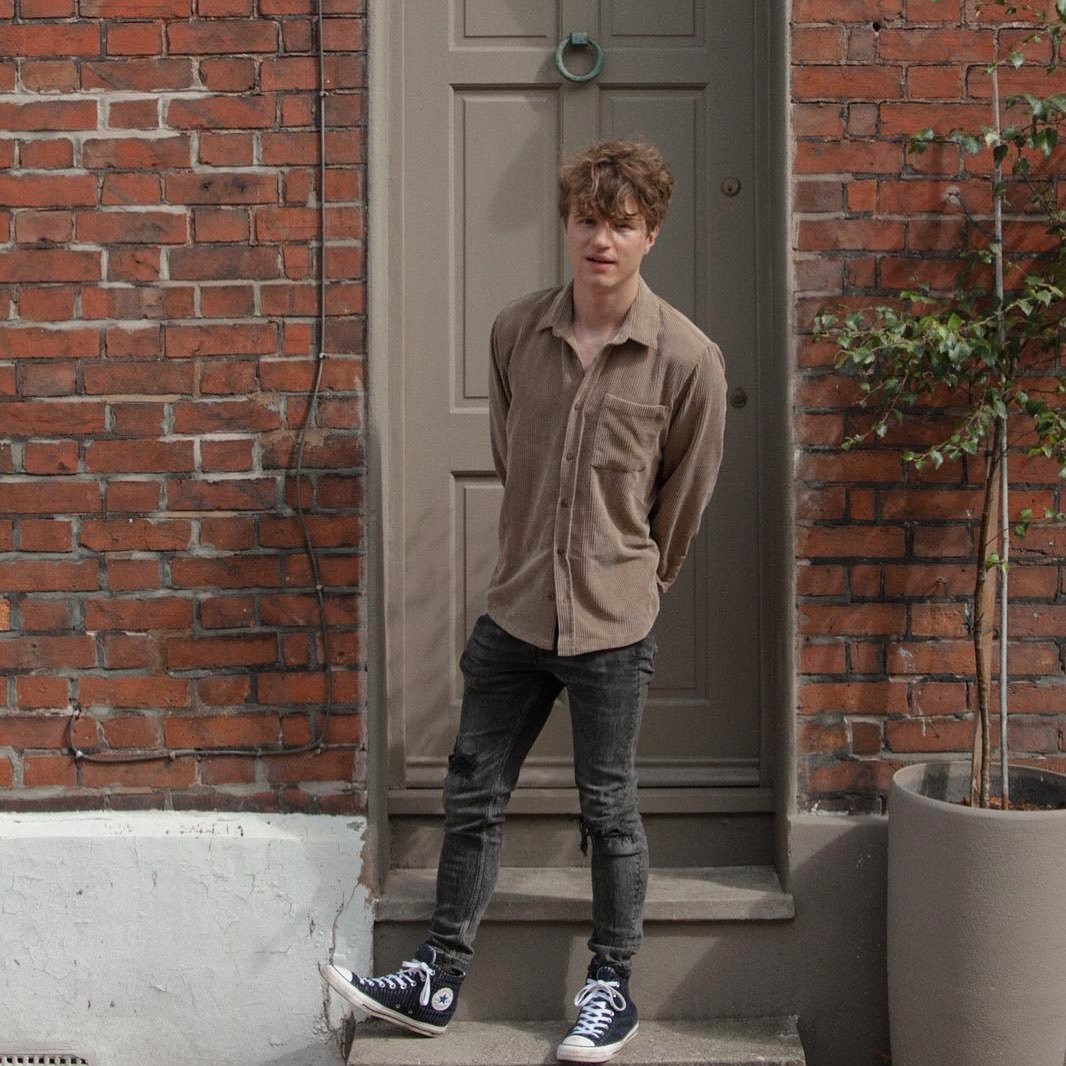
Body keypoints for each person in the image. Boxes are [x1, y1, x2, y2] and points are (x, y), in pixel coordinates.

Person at [322, 139, 728, 1064]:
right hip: (513, 615)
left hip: (613, 623)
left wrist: (635, 583)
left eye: (622, 224)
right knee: (473, 793)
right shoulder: (515, 333)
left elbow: (684, 500)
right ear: (567, 226)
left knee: (609, 809)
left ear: (651, 235)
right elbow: (516, 458)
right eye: (588, 220)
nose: (601, 239)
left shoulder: (688, 360)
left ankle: (610, 988)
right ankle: (435, 977)